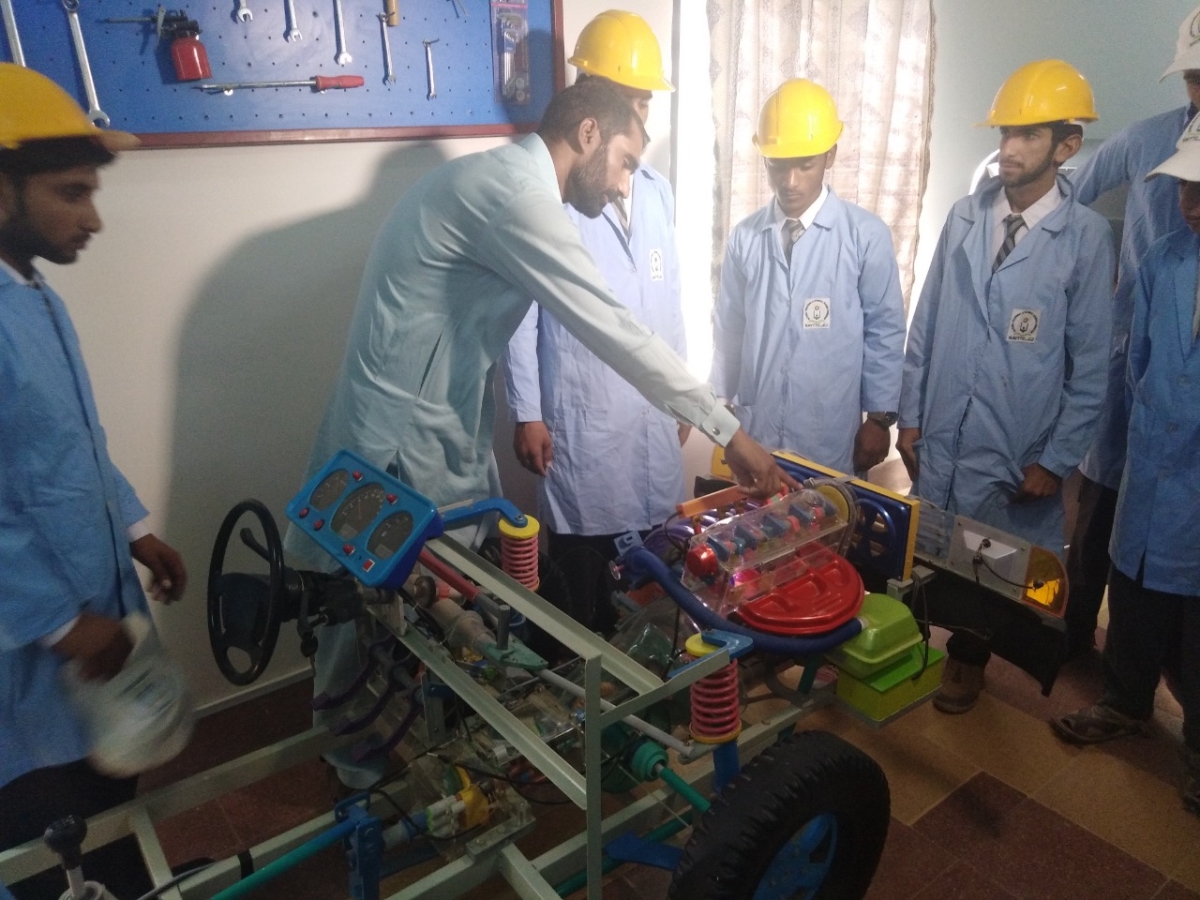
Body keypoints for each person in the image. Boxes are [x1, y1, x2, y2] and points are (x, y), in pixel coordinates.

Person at [286, 78, 794, 790]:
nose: (623, 186)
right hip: (400, 432)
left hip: (432, 415)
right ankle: (360, 775)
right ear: (587, 134)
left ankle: (412, 750)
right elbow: (613, 327)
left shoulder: (498, 182)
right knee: (371, 599)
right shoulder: (516, 197)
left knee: (424, 592)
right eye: (623, 162)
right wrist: (732, 434)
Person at [0, 65, 188, 898]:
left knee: (106, 817)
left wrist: (135, 530)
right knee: (50, 842)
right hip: (30, 649)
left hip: (90, 621)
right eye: (71, 193)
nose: (93, 218)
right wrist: (59, 622)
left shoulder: (32, 295)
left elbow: (71, 445)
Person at [897, 59, 1115, 714]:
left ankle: (968, 658)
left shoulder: (1084, 239)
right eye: (1005, 133)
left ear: (1066, 146)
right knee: (930, 545)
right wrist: (910, 415)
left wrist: (1055, 460)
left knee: (994, 563)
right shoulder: (965, 217)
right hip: (943, 430)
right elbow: (926, 323)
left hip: (1015, 447)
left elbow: (1090, 367)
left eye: (1028, 135)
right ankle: (907, 643)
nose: (1009, 149)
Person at [504, 11, 686, 637]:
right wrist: (527, 411)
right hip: (584, 417)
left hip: (651, 413)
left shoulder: (657, 191)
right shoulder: (555, 193)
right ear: (588, 96)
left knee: (653, 580)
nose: (637, 110)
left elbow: (669, 300)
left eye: (644, 98)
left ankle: (645, 673)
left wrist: (683, 390)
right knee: (582, 585)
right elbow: (520, 314)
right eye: (623, 95)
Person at [1051, 115, 1200, 818]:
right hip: (1151, 459)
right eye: (1184, 189)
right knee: (1134, 586)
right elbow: (1139, 359)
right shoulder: (1164, 260)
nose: (1190, 204)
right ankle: (1124, 701)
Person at [1063, 8, 1199, 658]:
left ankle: (1158, 660)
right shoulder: (1147, 139)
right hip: (1129, 356)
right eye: (1194, 77)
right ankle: (1074, 633)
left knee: (1179, 519)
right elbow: (1070, 202)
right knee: (1101, 500)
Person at [710, 78, 906, 478]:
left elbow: (884, 330)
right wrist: (720, 406)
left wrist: (879, 418)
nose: (790, 181)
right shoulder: (746, 237)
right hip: (759, 432)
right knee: (761, 518)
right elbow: (729, 329)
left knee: (829, 516)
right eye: (778, 164)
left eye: (805, 164)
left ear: (830, 155)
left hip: (831, 435)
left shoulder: (865, 235)